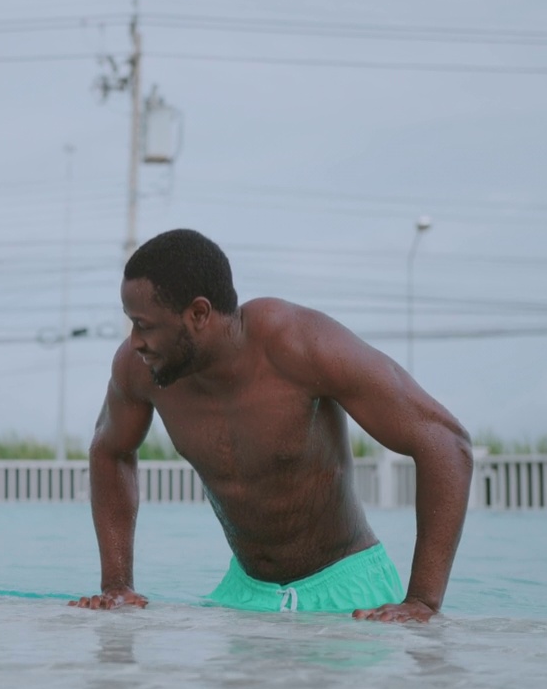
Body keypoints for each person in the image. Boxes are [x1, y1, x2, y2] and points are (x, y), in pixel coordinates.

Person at [70, 229, 472, 622]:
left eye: (144, 324)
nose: (134, 340)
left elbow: (445, 441)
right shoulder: (137, 369)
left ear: (198, 314)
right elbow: (110, 450)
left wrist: (422, 599)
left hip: (347, 590)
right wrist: (116, 585)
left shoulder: (298, 344)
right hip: (244, 592)